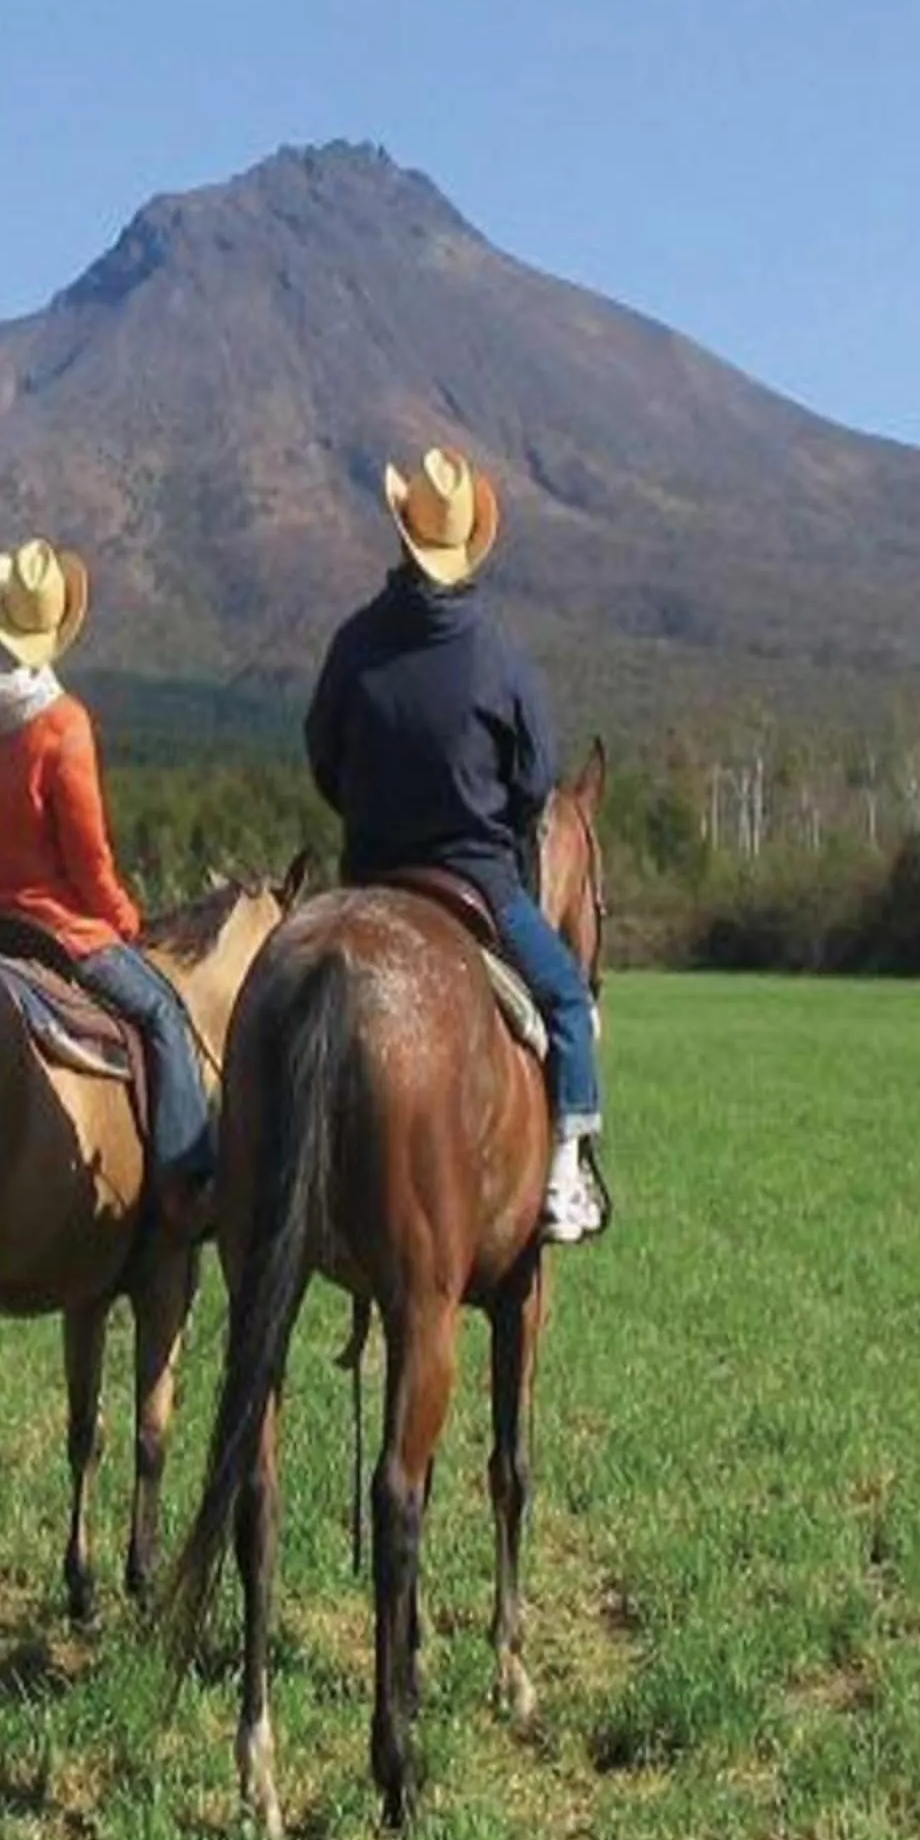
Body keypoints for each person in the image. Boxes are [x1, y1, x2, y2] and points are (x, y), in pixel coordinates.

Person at [304, 447, 609, 1243]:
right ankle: (564, 1180)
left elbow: (322, 756)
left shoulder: (354, 642)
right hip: (480, 883)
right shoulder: (496, 652)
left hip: (365, 880)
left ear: (403, 537)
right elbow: (538, 777)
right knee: (571, 1003)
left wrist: (369, 818)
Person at [0, 537, 215, 1207]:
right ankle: (186, 1186)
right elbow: (89, 860)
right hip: (64, 934)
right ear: (55, 632)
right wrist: (124, 918)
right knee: (164, 1013)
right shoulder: (63, 724)